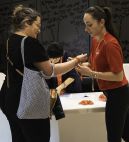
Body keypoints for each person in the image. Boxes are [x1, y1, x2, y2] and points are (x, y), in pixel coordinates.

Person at [0, 5, 86, 142]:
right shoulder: (30, 43)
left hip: (9, 99)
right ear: (26, 22)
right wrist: (76, 61)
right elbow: (50, 70)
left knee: (18, 138)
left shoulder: (10, 40)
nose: (39, 30)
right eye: (37, 25)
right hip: (28, 103)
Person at [76, 6, 129, 142]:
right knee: (124, 133)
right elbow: (95, 65)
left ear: (102, 22)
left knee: (113, 137)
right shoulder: (96, 40)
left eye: (89, 25)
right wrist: (81, 65)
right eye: (85, 25)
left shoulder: (110, 44)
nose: (86, 29)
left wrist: (92, 73)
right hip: (111, 93)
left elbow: (117, 76)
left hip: (118, 94)